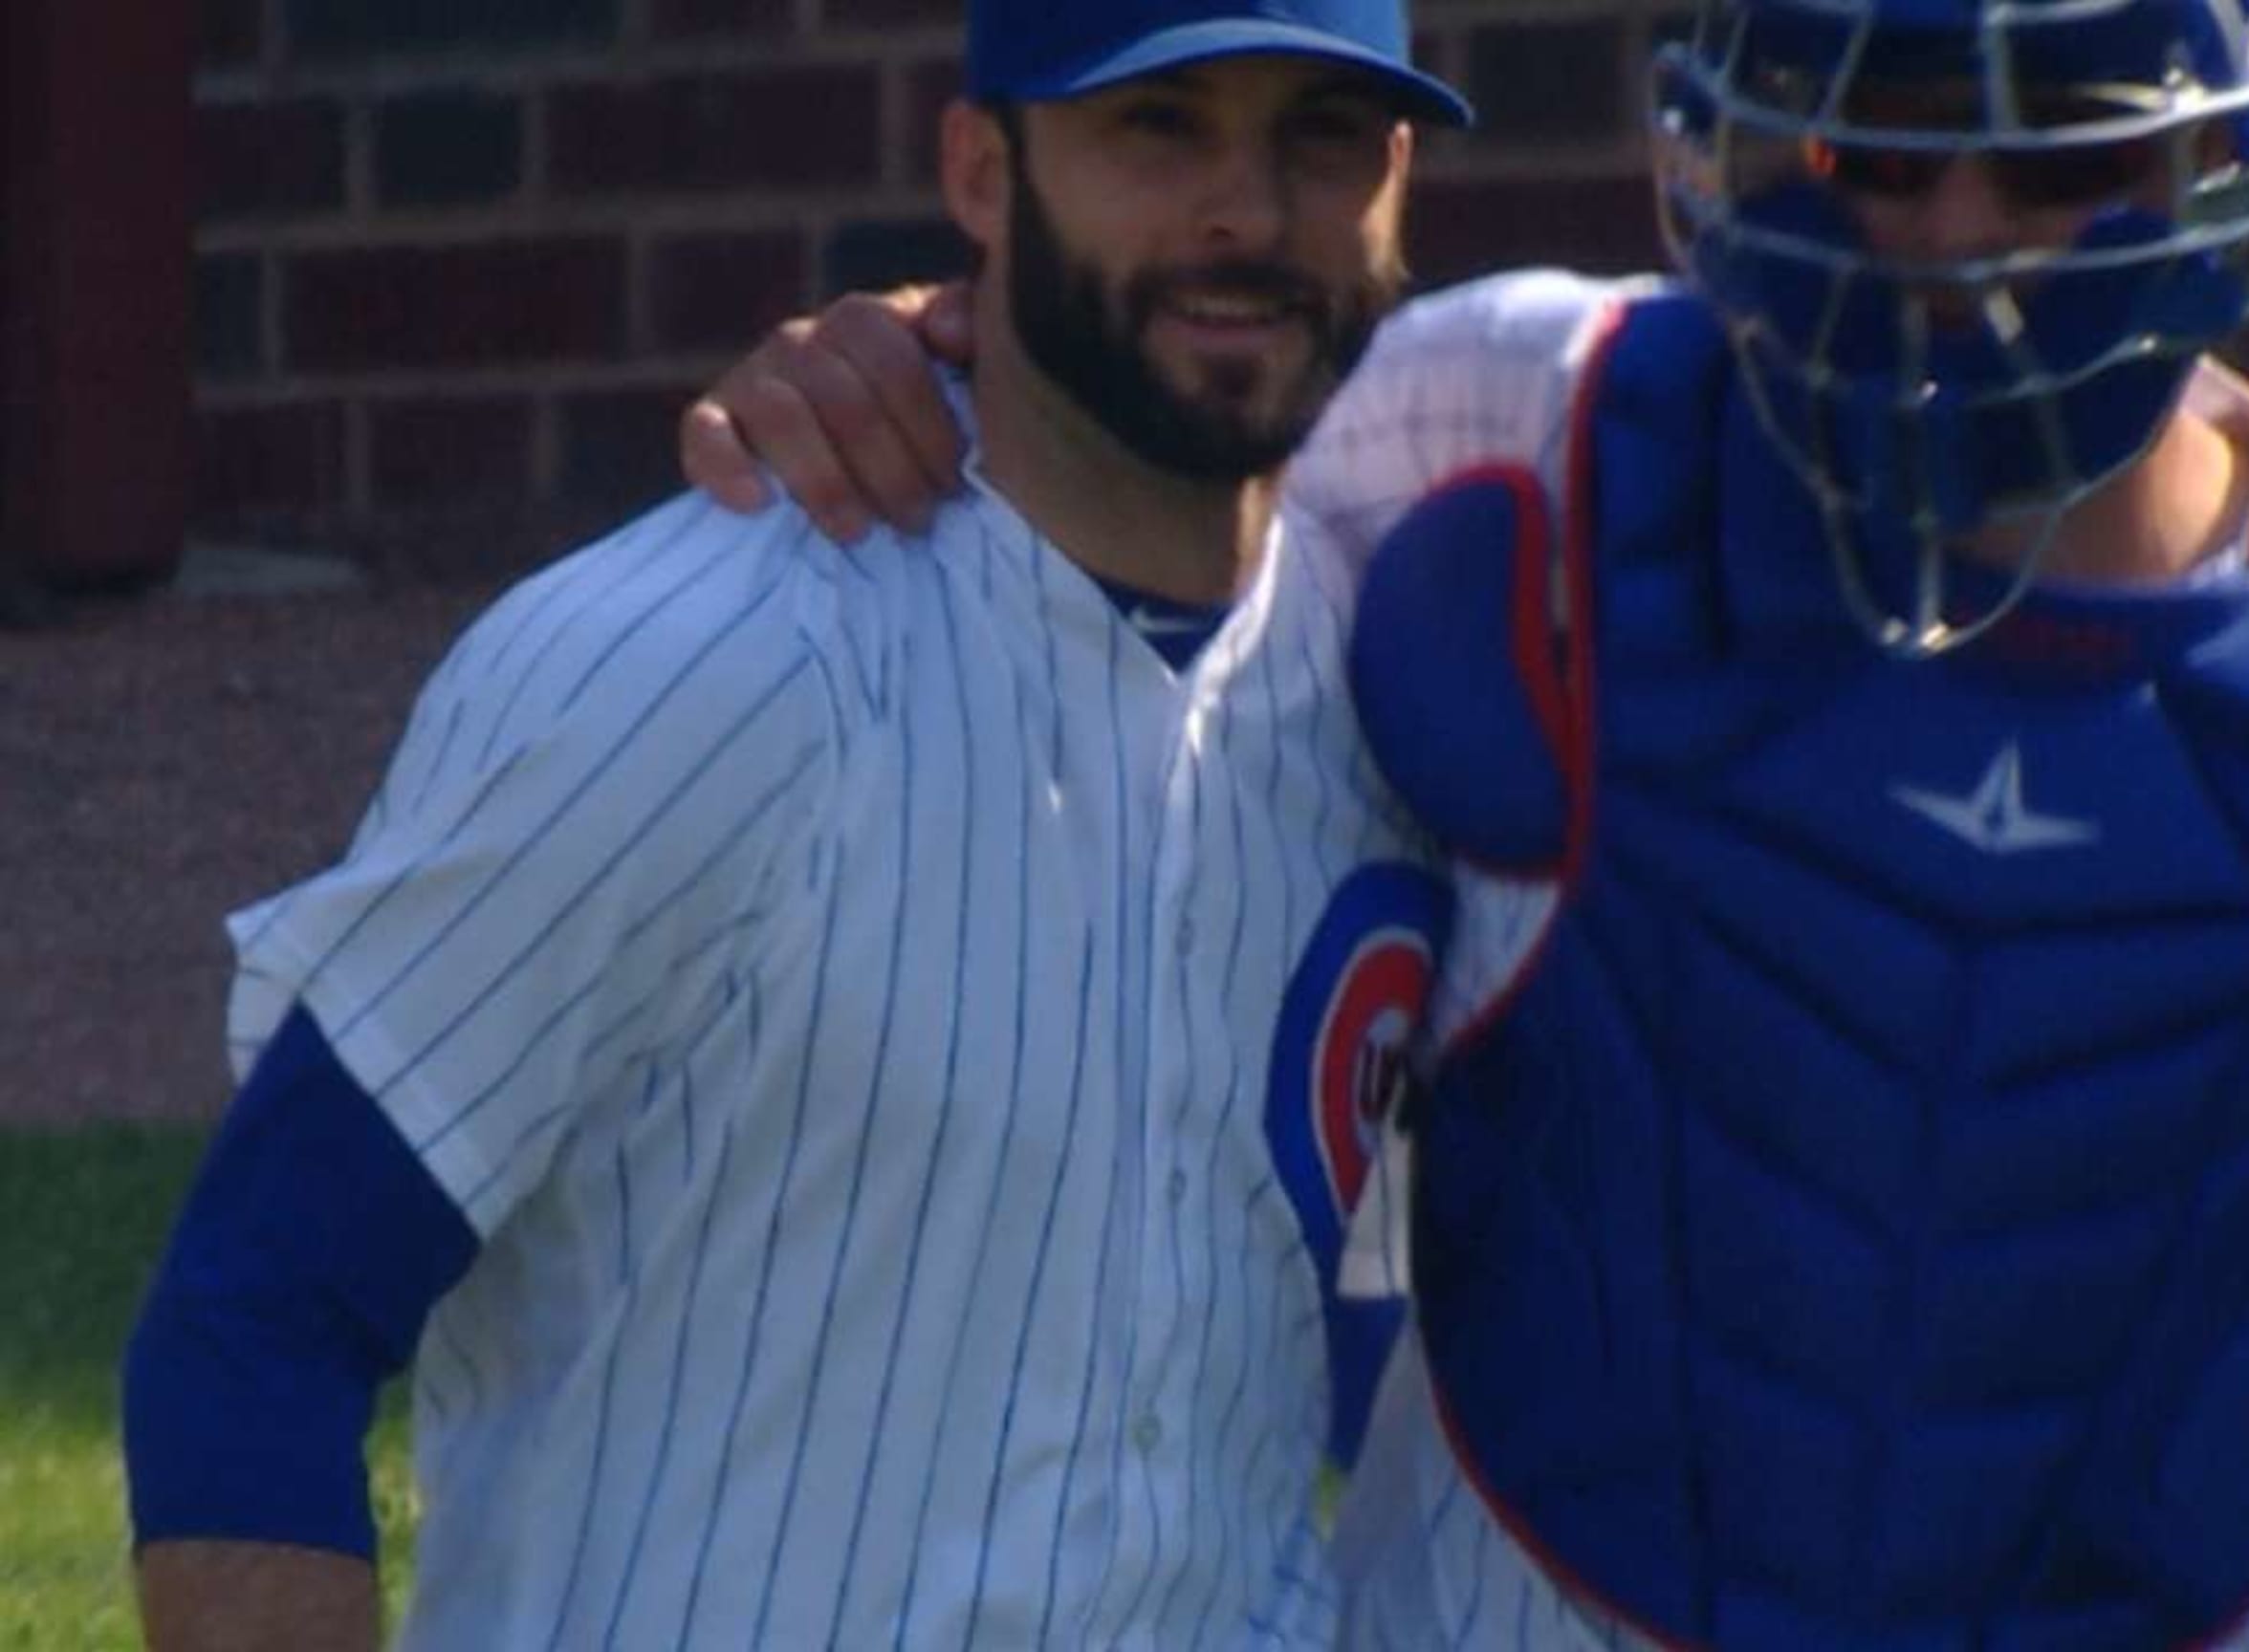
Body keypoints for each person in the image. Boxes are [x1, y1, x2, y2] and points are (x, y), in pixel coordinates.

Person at [683, 3, 2249, 1647]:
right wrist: (896, 369)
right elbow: (1113, 494)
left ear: (2227, 162)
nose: (1955, 238)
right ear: (1742, 136)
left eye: (2059, 146)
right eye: (1875, 144)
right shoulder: (1502, 426)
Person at [118, 2, 1471, 1647]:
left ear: (1399, 173)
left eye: (1319, 134)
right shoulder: (696, 670)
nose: (1246, 212)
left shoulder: (1402, 699)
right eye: (1158, 124)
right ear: (982, 169)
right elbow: (256, 1317)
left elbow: (1347, 1355)